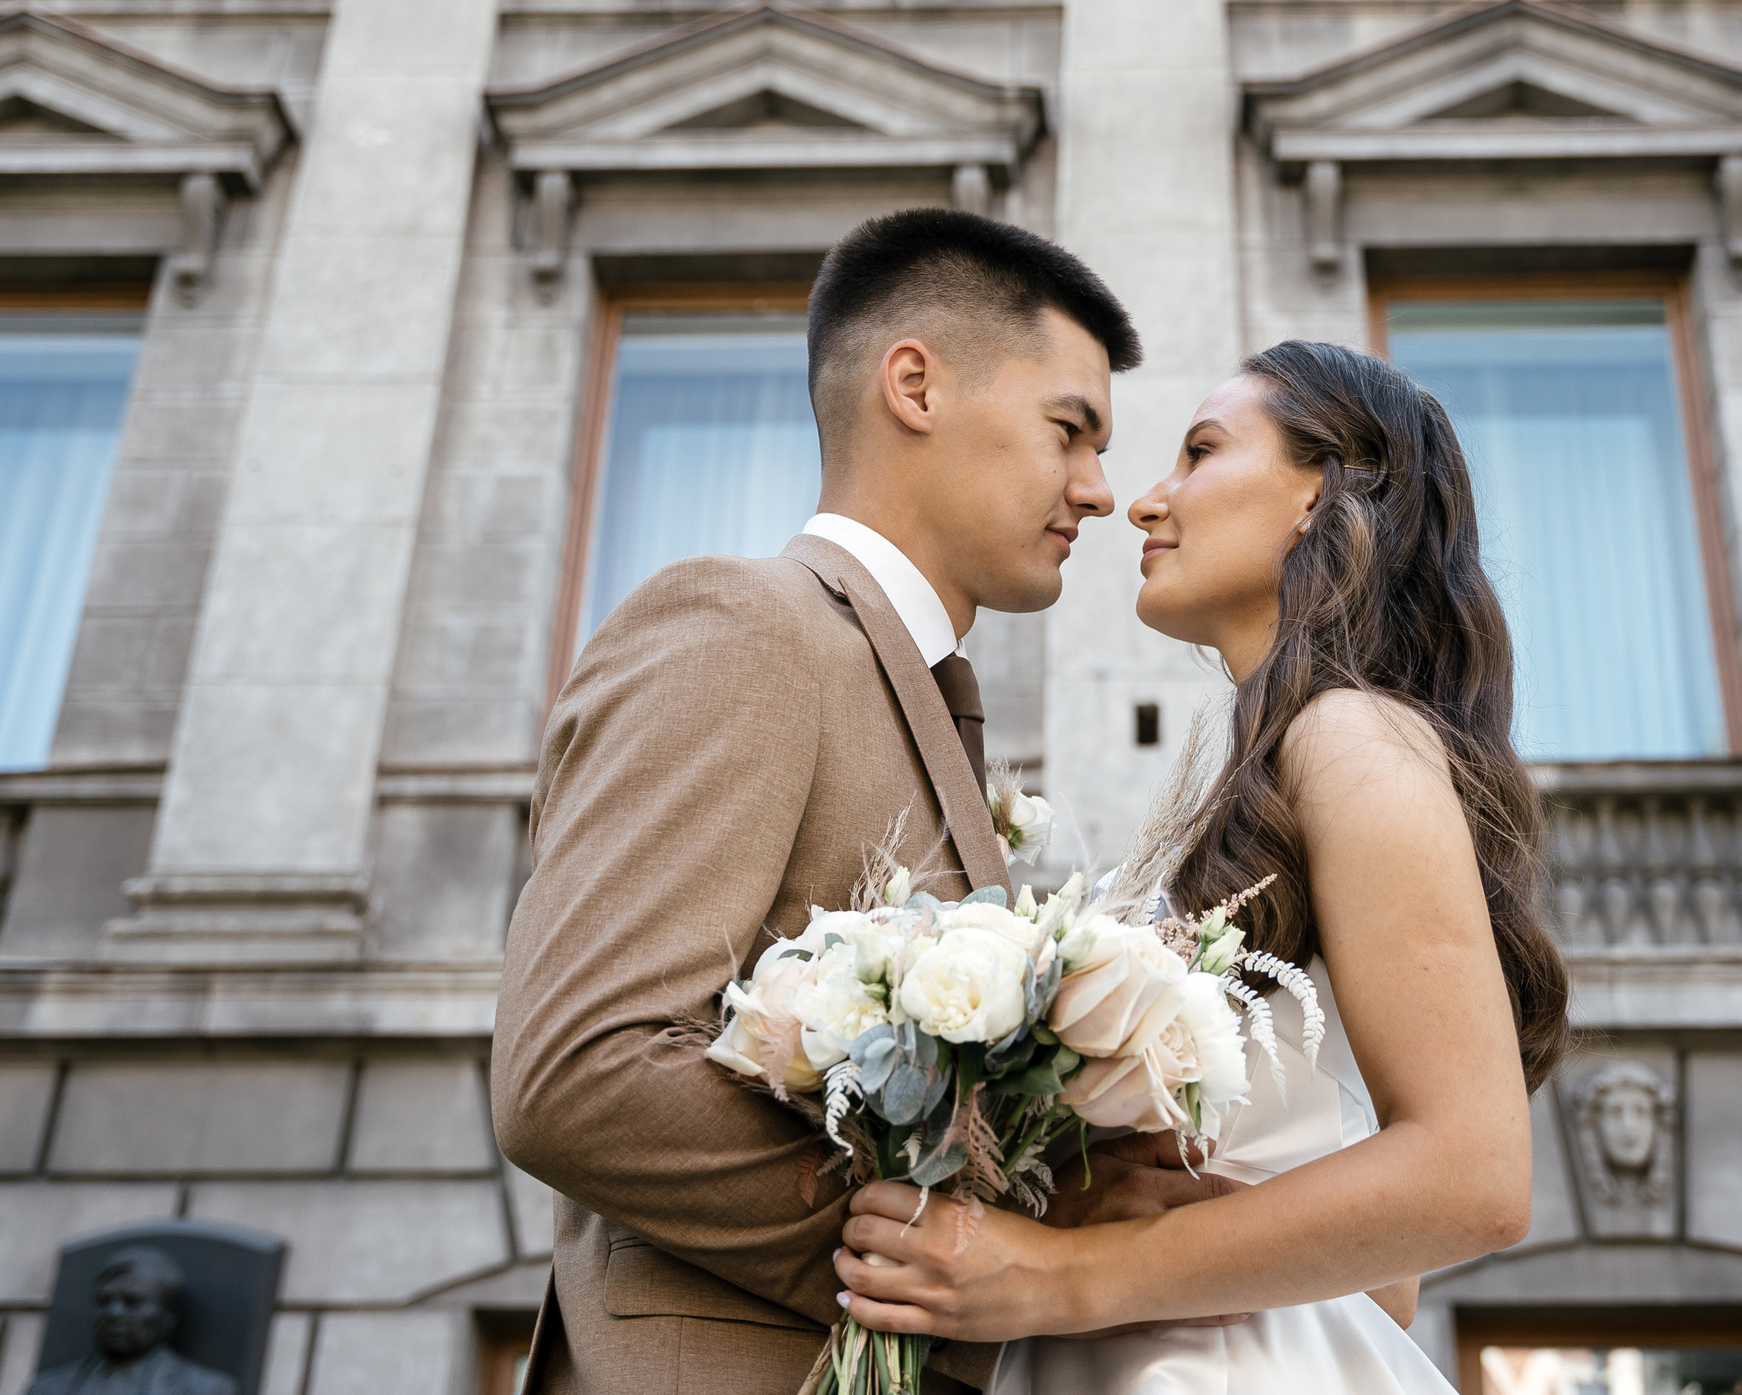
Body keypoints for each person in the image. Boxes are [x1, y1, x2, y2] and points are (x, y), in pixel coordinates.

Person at [491, 208, 1242, 1395]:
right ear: (915, 386)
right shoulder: (742, 628)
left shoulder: (918, 690)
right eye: (1070, 431)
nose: (1099, 492)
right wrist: (982, 1246)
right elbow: (582, 1077)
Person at [830, 338, 1573, 1393]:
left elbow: (1475, 1177)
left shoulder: (1349, 737)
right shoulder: (1261, 776)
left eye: (1199, 452)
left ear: (1321, 495)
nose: (1143, 503)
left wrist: (1061, 1276)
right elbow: (1392, 1279)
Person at [27, 1246, 235, 1395]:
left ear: (168, 1316)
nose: (114, 1313)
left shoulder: (207, 1389)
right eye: (104, 1301)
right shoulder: (47, 1388)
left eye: (133, 1302)